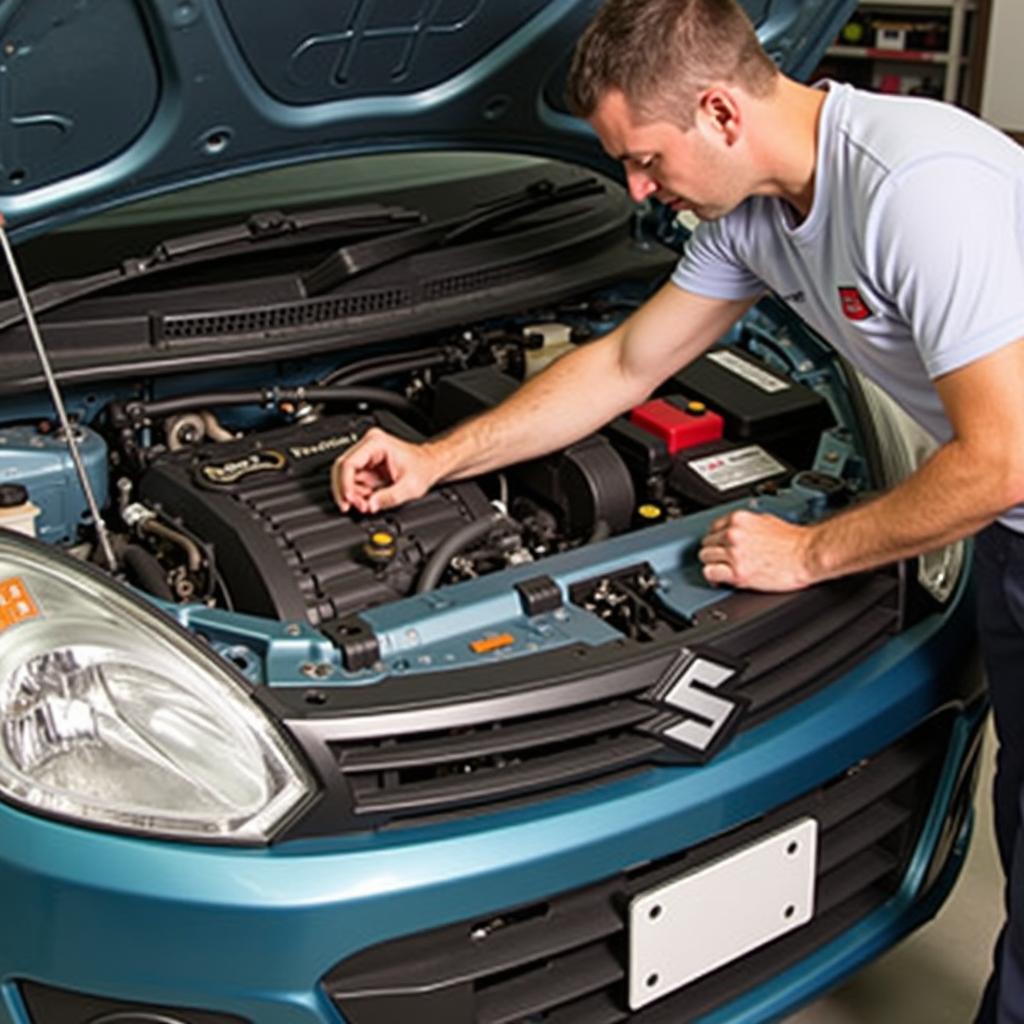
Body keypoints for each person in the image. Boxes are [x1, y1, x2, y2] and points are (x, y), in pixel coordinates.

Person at [330, 1, 1024, 1017]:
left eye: (645, 159)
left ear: (718, 111)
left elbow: (1002, 460)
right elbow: (620, 362)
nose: (637, 189)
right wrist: (438, 458)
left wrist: (808, 552)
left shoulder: (913, 191)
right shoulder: (753, 215)